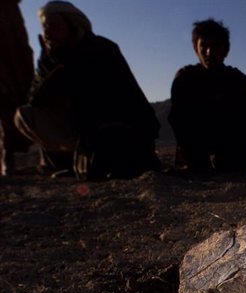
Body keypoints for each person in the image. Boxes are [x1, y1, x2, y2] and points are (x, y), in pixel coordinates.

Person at [14, 1, 160, 180]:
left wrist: (62, 66)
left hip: (120, 127)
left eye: (54, 25)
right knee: (26, 114)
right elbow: (35, 98)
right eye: (45, 26)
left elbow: (107, 100)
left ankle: (97, 159)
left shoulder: (101, 48)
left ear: (73, 25)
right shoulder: (50, 58)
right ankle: (68, 163)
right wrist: (48, 63)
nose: (47, 32)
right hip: (83, 125)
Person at [168, 19, 246, 174]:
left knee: (233, 165)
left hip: (230, 144)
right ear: (196, 49)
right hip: (196, 143)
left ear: (225, 50)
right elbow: (178, 118)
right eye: (204, 46)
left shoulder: (239, 82)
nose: (209, 52)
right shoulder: (185, 79)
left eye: (216, 45)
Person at [0, 0, 34, 177]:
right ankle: (8, 159)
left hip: (18, 68)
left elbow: (21, 42)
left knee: (16, 107)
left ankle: (11, 158)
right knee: (6, 107)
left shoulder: (12, 10)